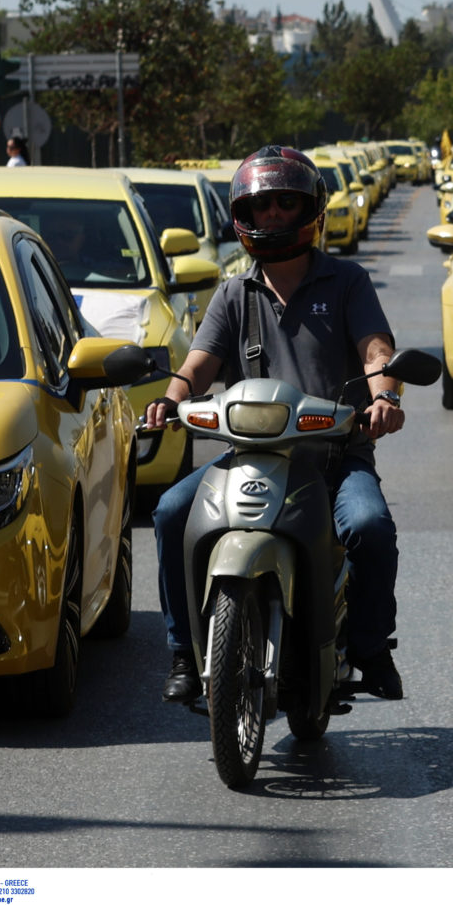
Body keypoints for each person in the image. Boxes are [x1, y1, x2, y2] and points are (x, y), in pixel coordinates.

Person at [145, 146, 408, 704]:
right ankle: (184, 654)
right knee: (170, 514)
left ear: (309, 210)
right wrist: (170, 400)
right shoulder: (234, 292)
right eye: (261, 205)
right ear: (244, 215)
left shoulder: (346, 282)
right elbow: (198, 365)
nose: (272, 216)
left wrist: (383, 396)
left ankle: (369, 648)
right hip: (248, 457)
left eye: (286, 203)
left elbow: (376, 350)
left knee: (370, 527)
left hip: (335, 459)